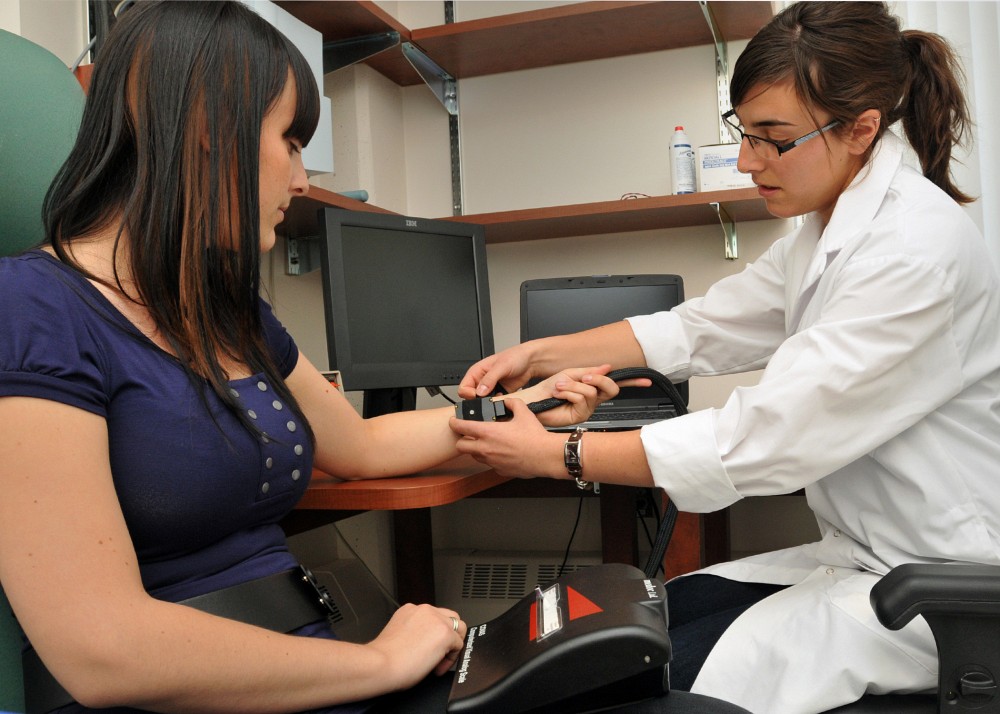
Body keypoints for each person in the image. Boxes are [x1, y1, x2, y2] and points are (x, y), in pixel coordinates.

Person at [0, 3, 621, 712]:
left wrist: (526, 409)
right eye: (290, 142)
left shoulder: (225, 308)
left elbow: (360, 445)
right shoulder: (31, 309)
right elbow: (101, 649)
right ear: (207, 130)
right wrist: (382, 661)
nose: (300, 181)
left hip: (310, 666)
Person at [451, 2, 1000, 713]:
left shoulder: (912, 249)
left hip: (936, 583)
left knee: (641, 678)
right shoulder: (830, 228)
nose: (748, 161)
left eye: (774, 139)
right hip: (864, 556)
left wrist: (561, 454)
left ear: (862, 128)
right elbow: (703, 327)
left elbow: (767, 438)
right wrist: (539, 353)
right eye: (745, 135)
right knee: (648, 619)